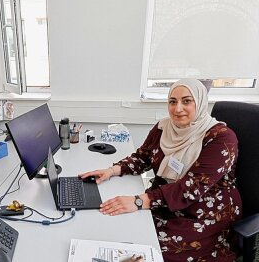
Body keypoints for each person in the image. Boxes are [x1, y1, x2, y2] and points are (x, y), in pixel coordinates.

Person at [80, 79, 242, 261]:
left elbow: (192, 188)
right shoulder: (163, 127)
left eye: (187, 101)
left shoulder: (222, 138)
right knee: (120, 230)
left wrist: (140, 201)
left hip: (203, 212)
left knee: (145, 251)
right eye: (172, 101)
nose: (177, 108)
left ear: (200, 102)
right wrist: (112, 170)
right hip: (165, 202)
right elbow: (143, 157)